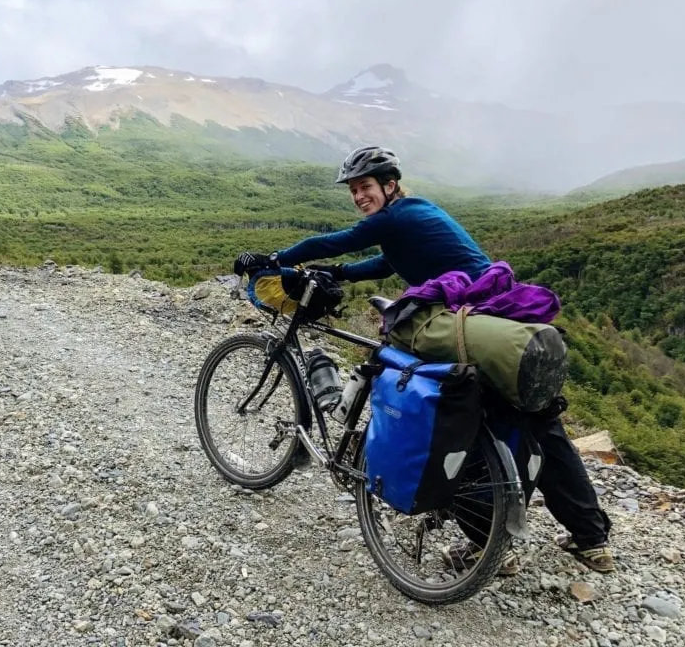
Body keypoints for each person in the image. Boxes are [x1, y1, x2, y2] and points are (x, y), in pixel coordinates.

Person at [233, 145, 614, 575]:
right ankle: (592, 539)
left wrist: (273, 259)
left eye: (366, 187)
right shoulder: (408, 217)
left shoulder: (400, 215)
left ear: (390, 185)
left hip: (466, 321)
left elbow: (338, 240)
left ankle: (490, 544)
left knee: (455, 414)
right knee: (537, 422)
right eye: (354, 190)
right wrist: (339, 273)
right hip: (492, 325)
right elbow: (384, 262)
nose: (359, 196)